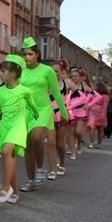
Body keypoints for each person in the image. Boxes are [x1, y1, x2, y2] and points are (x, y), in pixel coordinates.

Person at [18, 37, 68, 192]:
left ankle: (41, 168)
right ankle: (31, 180)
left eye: (30, 54)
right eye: (25, 54)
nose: (27, 57)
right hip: (26, 111)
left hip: (44, 110)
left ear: (37, 54)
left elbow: (57, 93)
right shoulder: (20, 70)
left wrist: (64, 113)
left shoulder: (47, 70)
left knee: (37, 137)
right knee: (28, 148)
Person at [0, 55, 39, 204]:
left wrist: (36, 113)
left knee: (6, 151)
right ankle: (15, 191)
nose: (0, 73)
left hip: (18, 126)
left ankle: (5, 188)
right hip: (4, 126)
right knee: (8, 159)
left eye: (3, 71)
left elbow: (32, 104)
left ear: (12, 73)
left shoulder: (25, 90)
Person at [47, 60, 74, 178]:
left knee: (60, 143)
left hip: (61, 115)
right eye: (51, 71)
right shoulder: (46, 83)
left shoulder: (66, 82)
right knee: (51, 143)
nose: (54, 73)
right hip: (48, 115)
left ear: (62, 71)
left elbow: (81, 97)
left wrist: (68, 107)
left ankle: (62, 164)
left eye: (56, 71)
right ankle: (52, 169)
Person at [87, 82, 110, 149]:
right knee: (92, 128)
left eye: (95, 86)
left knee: (100, 129)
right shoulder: (93, 94)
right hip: (92, 113)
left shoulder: (105, 96)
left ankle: (99, 143)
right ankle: (92, 142)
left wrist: (102, 115)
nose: (94, 87)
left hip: (100, 113)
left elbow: (104, 106)